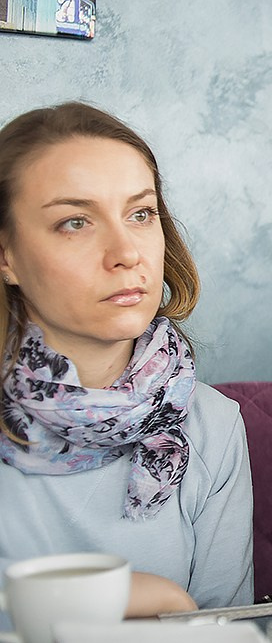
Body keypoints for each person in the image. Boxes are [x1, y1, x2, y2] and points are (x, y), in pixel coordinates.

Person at [0, 102, 253, 621]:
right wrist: (146, 604)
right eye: (75, 222)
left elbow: (224, 627)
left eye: (141, 214)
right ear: (7, 255)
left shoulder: (212, 424)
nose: (126, 253)